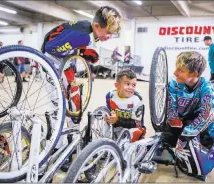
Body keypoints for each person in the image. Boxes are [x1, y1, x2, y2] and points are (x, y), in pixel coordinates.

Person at [41, 6, 121, 173]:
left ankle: (67, 146)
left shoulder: (89, 32)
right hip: (51, 64)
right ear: (97, 26)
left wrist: (82, 53)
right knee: (59, 108)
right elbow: (50, 48)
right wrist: (81, 51)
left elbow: (68, 48)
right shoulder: (82, 35)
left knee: (73, 107)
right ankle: (57, 149)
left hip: (66, 65)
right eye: (108, 33)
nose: (110, 37)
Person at [166, 51, 214, 179]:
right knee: (169, 135)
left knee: (212, 117)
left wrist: (187, 133)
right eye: (176, 68)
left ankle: (206, 153)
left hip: (200, 121)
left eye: (180, 70)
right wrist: (174, 123)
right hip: (184, 118)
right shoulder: (173, 84)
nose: (175, 73)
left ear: (194, 74)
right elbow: (171, 108)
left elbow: (206, 114)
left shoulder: (206, 87)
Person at [104, 69, 146, 142]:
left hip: (132, 128)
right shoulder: (110, 95)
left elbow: (137, 124)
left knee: (136, 131)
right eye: (127, 84)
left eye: (134, 85)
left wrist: (117, 120)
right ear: (117, 85)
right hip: (116, 128)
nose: (131, 88)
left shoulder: (137, 100)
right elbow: (108, 112)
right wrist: (108, 118)